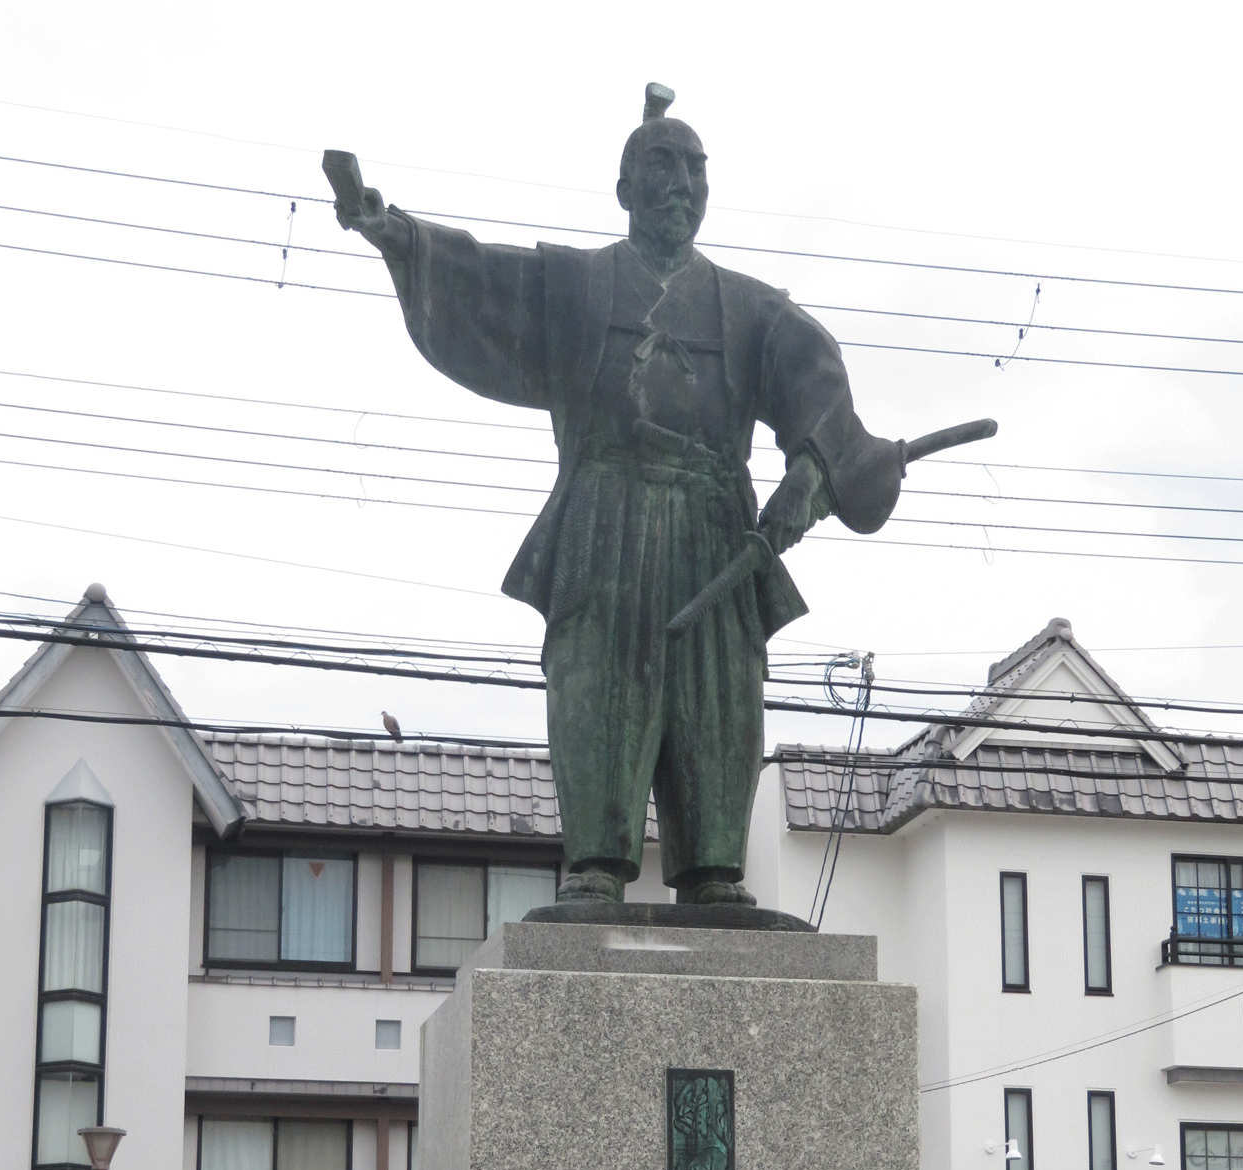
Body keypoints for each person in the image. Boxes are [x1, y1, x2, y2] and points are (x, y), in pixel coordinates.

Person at [334, 85, 904, 906]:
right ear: (625, 190)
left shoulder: (748, 308)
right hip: (604, 518)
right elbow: (487, 279)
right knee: (598, 685)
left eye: (696, 170)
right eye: (663, 166)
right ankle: (596, 862)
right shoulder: (577, 285)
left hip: (714, 524)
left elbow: (817, 383)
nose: (682, 185)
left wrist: (809, 474)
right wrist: (395, 234)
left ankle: (713, 868)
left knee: (719, 695)